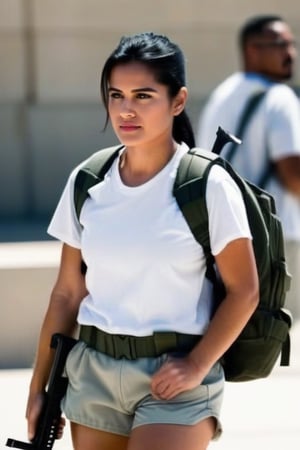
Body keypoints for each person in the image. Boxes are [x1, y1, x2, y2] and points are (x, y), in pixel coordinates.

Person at [26, 32, 259, 450]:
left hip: (176, 375)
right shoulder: (88, 181)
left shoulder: (206, 184)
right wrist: (37, 389)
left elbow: (245, 290)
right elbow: (66, 294)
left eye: (143, 95)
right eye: (116, 95)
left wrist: (196, 365)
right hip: (94, 372)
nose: (126, 109)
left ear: (178, 101)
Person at [197, 14, 300, 321]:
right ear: (252, 50)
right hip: (273, 236)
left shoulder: (223, 92)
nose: (290, 53)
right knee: (271, 333)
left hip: (226, 229)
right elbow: (293, 174)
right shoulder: (279, 97)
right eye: (280, 44)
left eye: (292, 44)